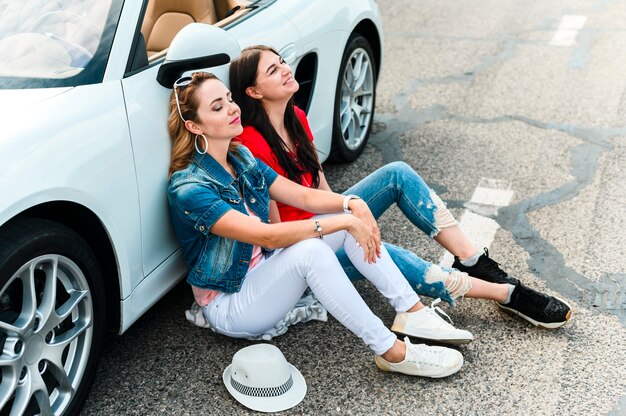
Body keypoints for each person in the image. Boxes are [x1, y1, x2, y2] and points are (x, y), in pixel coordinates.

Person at [228, 45, 573, 329]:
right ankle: (506, 294)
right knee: (388, 254)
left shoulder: (297, 118)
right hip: (303, 250)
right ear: (254, 91)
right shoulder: (250, 144)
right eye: (273, 70)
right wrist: (346, 225)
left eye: (282, 62)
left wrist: (351, 211)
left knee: (397, 173)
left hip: (328, 226)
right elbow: (275, 231)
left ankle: (472, 260)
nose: (286, 70)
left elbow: (320, 186)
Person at [166, 71, 472, 379]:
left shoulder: (241, 157)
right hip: (231, 303)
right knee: (314, 249)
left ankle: (412, 312)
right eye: (217, 107)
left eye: (230, 99)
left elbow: (301, 196)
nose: (233, 108)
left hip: (267, 273)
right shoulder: (190, 187)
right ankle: (391, 351)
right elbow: (267, 236)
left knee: (342, 224)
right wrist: (346, 220)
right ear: (194, 126)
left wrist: (350, 204)